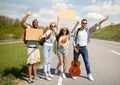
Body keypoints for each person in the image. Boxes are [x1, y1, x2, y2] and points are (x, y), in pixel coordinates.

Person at [72, 16, 109, 80]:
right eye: (83, 23)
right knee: (75, 62)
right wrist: (75, 47)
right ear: (81, 23)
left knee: (86, 62)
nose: (84, 24)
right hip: (77, 48)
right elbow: (74, 39)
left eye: (85, 23)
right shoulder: (77, 30)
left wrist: (104, 20)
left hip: (84, 48)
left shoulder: (88, 30)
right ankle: (74, 73)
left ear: (86, 24)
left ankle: (89, 74)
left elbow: (96, 25)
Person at [21, 9, 40, 84]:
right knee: (30, 63)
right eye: (35, 22)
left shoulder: (38, 31)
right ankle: (29, 78)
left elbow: (40, 41)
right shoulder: (29, 28)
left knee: (35, 63)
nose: (36, 23)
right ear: (33, 24)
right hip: (30, 48)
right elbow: (22, 22)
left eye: (37, 22)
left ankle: (35, 76)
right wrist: (27, 15)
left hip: (36, 48)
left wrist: (41, 39)